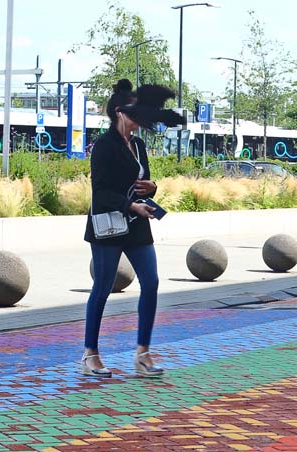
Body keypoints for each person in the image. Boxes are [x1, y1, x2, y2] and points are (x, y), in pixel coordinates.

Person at [82, 80, 183, 378]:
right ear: (119, 112)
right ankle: (90, 355)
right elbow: (99, 192)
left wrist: (152, 187)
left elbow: (144, 180)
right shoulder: (103, 145)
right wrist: (129, 206)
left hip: (137, 225)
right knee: (102, 288)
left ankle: (143, 354)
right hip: (109, 225)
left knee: (150, 283)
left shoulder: (138, 145)